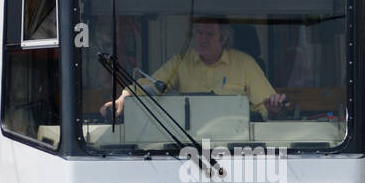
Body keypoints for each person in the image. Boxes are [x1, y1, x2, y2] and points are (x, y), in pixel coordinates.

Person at [101, 18, 287, 120]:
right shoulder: (181, 62)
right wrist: (124, 98)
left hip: (235, 146)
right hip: (188, 145)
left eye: (209, 34)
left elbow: (266, 105)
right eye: (199, 33)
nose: (202, 39)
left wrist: (273, 110)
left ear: (223, 39)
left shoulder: (245, 63)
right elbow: (151, 85)